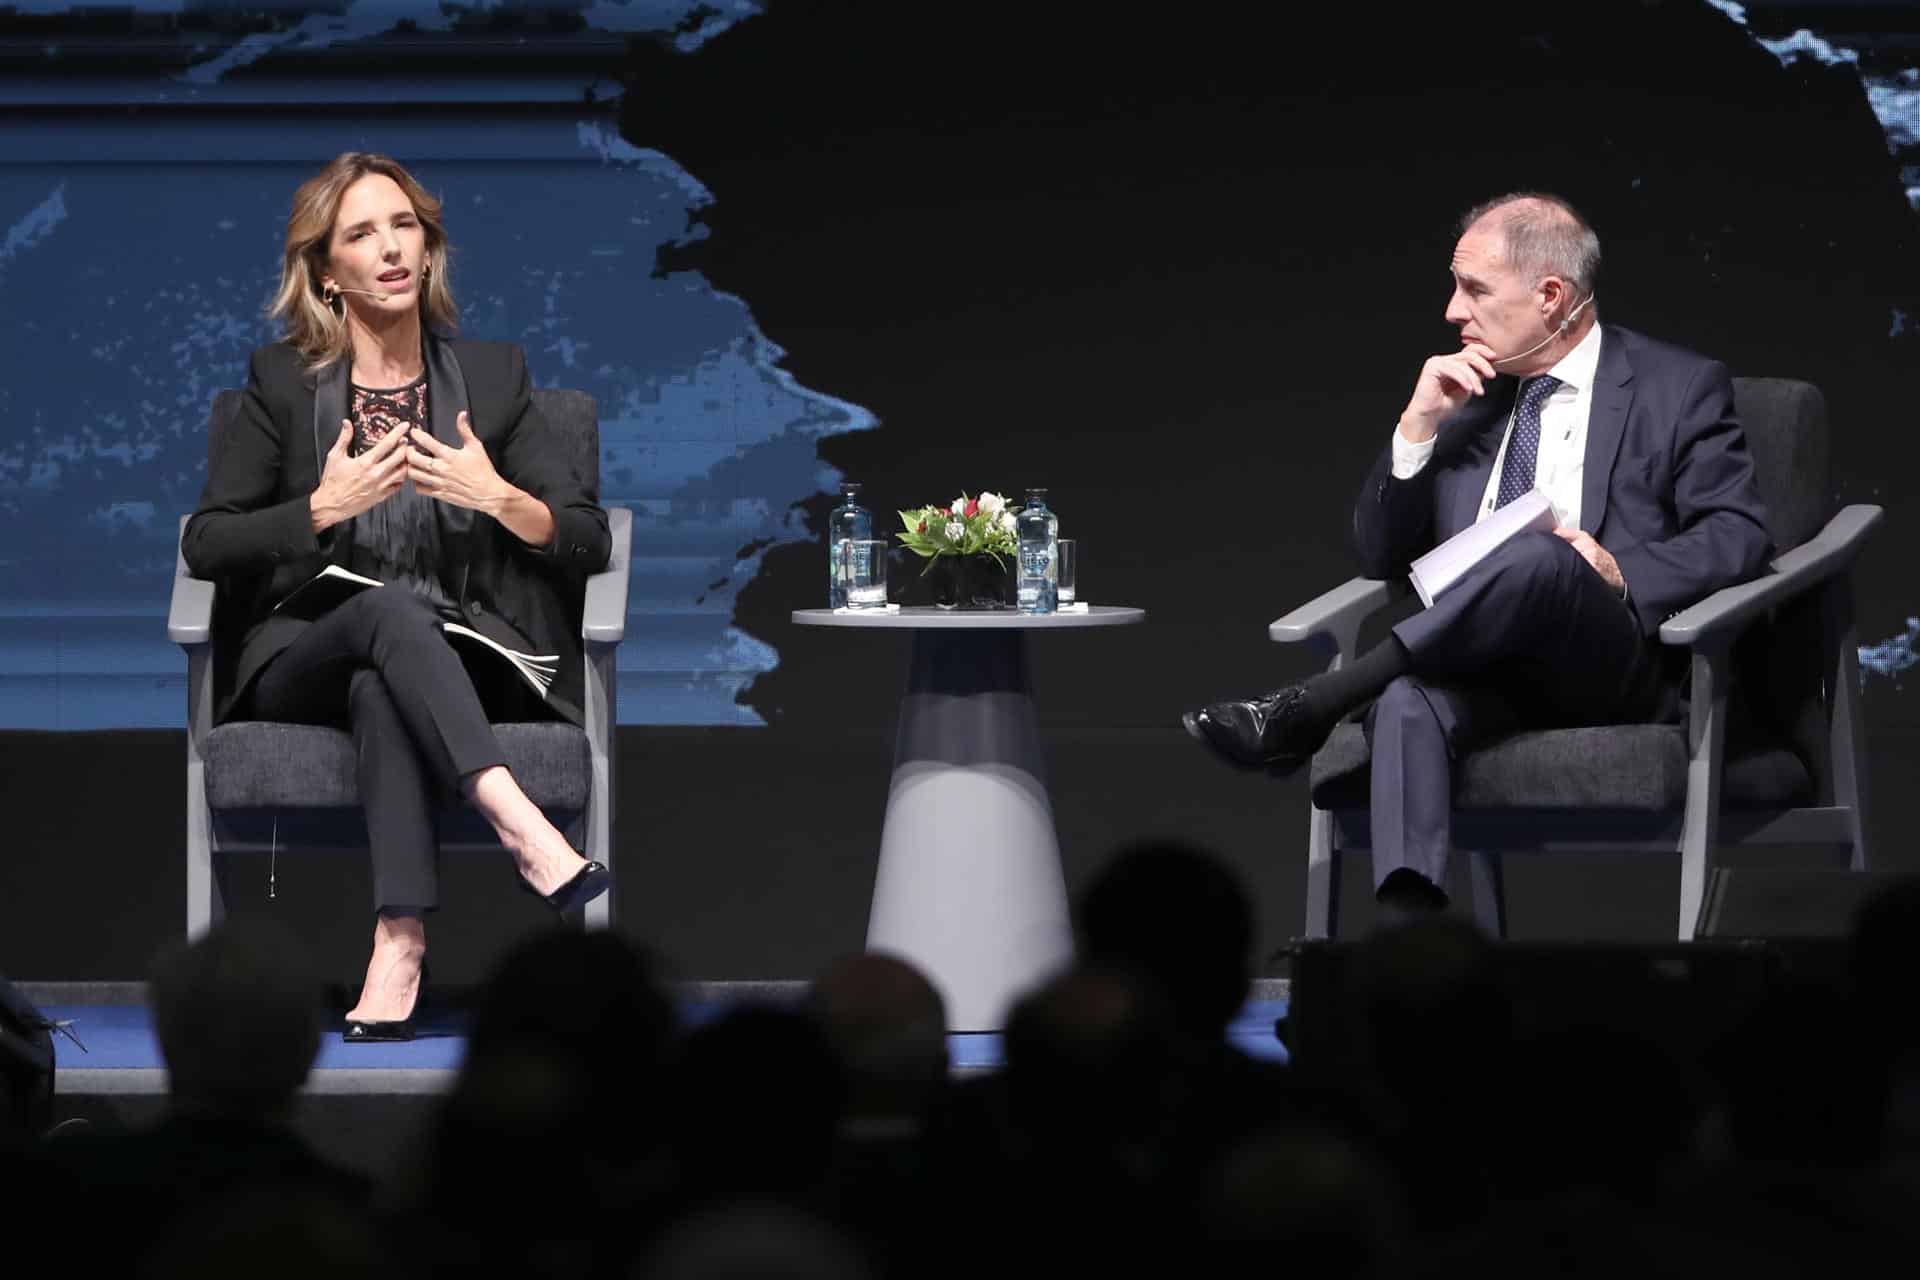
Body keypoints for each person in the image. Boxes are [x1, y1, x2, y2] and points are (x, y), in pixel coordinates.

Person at [1184, 193, 1770, 918]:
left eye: (1475, 289)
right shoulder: (1471, 400)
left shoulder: (1675, 387)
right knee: (1405, 704)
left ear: (1551, 295)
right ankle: (1409, 941)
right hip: (1471, 662)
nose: (1453, 312)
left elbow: (1738, 532)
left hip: (1611, 665)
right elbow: (1379, 556)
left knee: (1545, 557)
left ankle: (1316, 707)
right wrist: (1418, 426)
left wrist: (1621, 572)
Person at [183, 152, 613, 1039]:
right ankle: (521, 825)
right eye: (361, 233)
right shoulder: (280, 384)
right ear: (325, 272)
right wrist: (318, 510)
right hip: (305, 654)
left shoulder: (493, 379)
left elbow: (585, 532)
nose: (388, 249)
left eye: (404, 226)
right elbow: (209, 540)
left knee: (390, 669)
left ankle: (401, 936)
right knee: (383, 613)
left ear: (429, 248)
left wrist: (499, 499)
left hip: (464, 657)